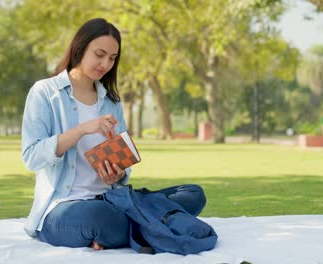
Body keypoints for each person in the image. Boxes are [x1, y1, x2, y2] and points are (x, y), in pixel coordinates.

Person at [21, 18, 207, 251]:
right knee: (98, 216)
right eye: (99, 54)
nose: (105, 64)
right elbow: (32, 156)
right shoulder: (45, 92)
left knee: (192, 195)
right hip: (63, 209)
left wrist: (117, 175)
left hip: (112, 201)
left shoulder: (111, 101)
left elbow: (122, 166)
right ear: (80, 48)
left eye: (112, 58)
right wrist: (81, 129)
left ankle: (119, 233)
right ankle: (148, 227)